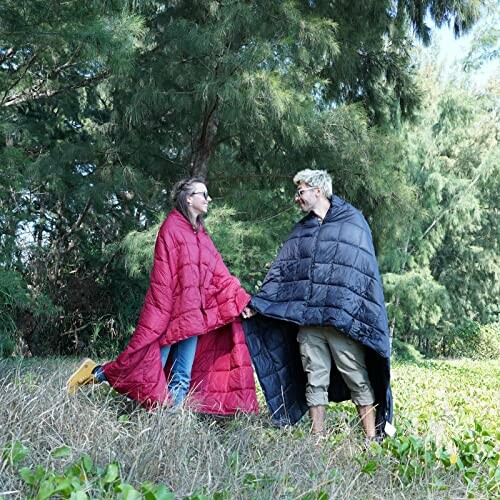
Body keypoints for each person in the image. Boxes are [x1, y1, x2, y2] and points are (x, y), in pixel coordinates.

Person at [67, 177, 258, 415]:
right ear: (189, 198)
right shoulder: (172, 228)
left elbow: (219, 272)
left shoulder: (201, 234)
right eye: (203, 194)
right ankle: (96, 373)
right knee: (144, 368)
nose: (209, 199)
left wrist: (241, 300)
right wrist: (160, 315)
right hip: (170, 315)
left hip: (192, 318)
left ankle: (164, 425)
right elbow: (162, 277)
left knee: (182, 375)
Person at [243, 169, 393, 439]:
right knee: (315, 380)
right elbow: (283, 270)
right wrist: (259, 303)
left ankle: (372, 439)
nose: (296, 197)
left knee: (357, 377)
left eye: (300, 191)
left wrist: (352, 312)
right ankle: (317, 441)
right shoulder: (302, 230)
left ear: (318, 191)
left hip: (341, 322)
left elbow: (362, 273)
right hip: (309, 323)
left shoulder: (352, 222)